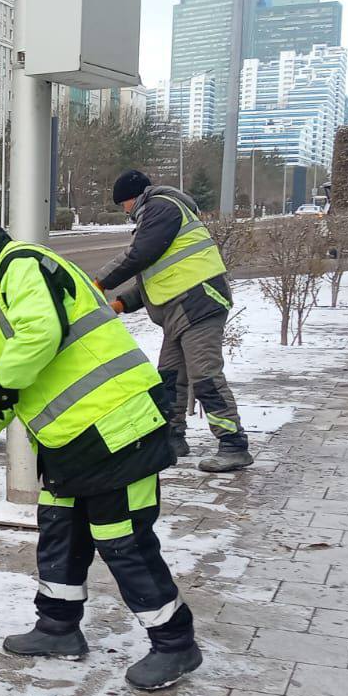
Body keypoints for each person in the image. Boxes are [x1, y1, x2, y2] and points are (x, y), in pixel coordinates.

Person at [0, 212, 202, 691]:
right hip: (71, 442)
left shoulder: (21, 264)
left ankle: (174, 642)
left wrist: (2, 383)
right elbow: (6, 393)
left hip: (119, 428)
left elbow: (39, 336)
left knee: (123, 540)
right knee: (60, 531)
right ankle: (58, 626)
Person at [98, 170, 252, 474]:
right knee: (170, 376)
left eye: (123, 204)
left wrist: (99, 282)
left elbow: (138, 255)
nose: (125, 211)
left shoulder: (161, 207)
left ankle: (233, 444)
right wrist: (120, 304)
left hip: (199, 303)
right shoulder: (159, 214)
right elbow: (158, 276)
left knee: (204, 375)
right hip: (180, 308)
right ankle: (172, 439)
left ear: (133, 197)